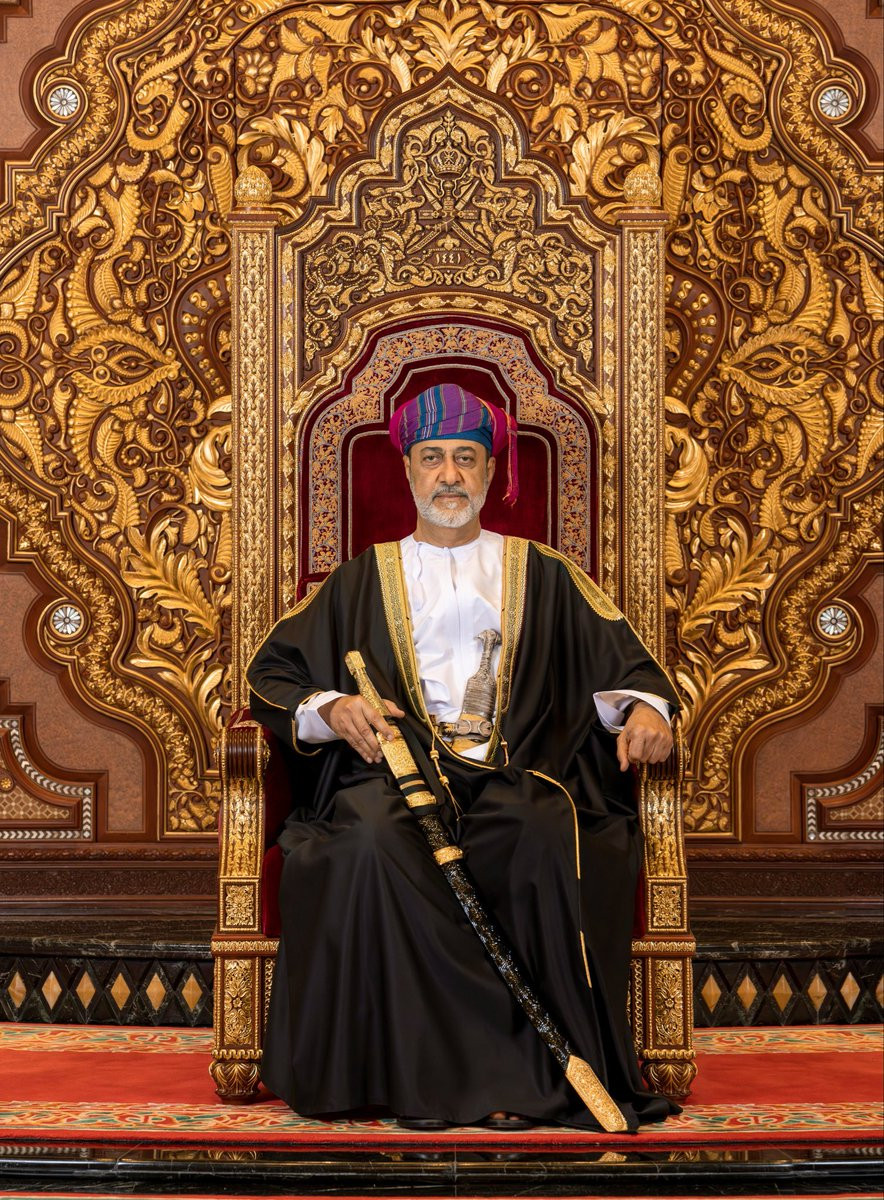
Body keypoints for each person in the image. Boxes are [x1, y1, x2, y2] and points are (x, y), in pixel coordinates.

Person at [247, 384, 679, 1131]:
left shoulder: (545, 573)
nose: (449, 475)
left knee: (544, 834)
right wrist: (332, 708)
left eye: (466, 459)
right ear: (407, 471)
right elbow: (272, 675)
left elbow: (631, 669)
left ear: (490, 472)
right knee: (367, 843)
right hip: (393, 778)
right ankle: (410, 1076)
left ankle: (530, 1077)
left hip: (517, 773)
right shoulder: (361, 579)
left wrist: (646, 709)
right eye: (433, 458)